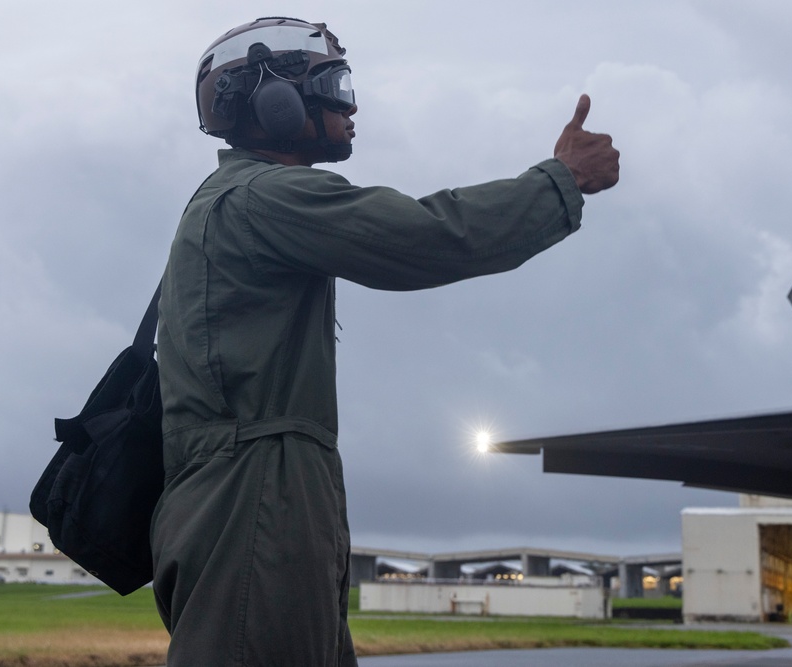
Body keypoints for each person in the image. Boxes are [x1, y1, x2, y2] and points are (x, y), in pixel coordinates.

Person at [150, 16, 619, 667]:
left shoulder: (236, 200)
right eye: (334, 85)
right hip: (258, 500)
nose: (352, 104)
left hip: (265, 490)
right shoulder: (265, 198)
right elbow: (426, 237)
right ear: (276, 101)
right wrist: (560, 180)